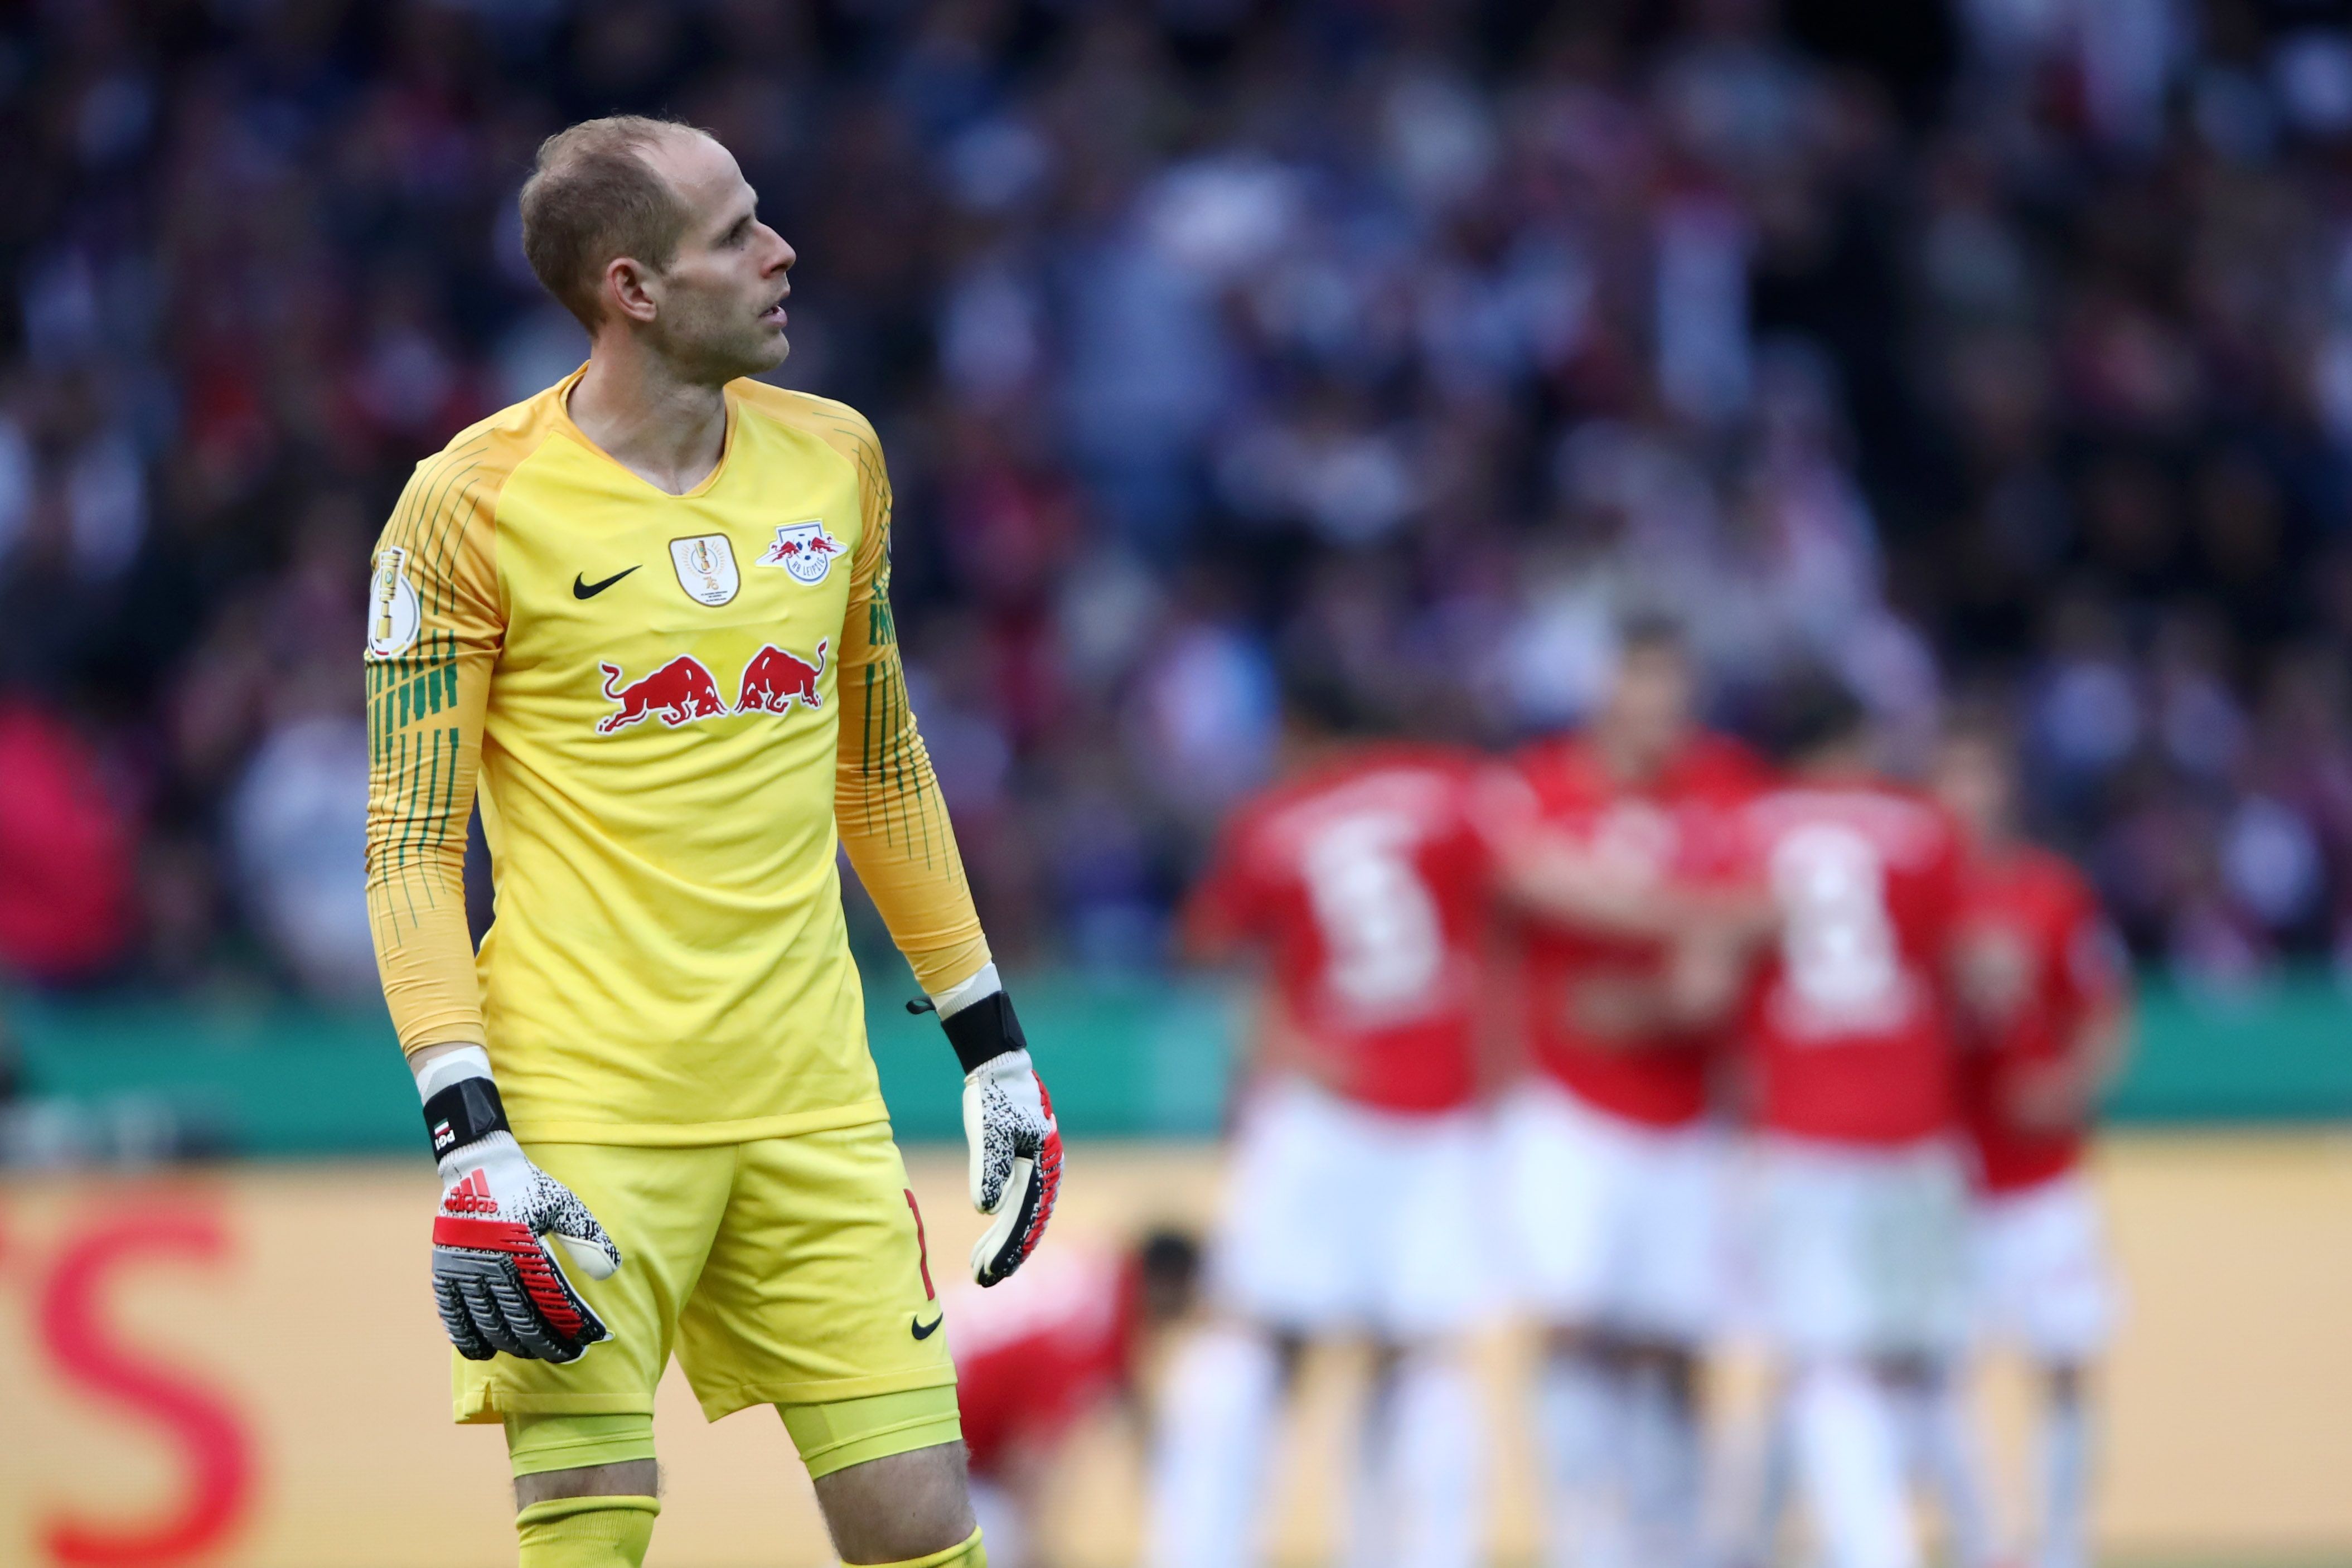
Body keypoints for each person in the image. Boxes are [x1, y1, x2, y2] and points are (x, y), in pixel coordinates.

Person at [363, 115, 1061, 1568]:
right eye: (735, 229)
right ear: (632, 287)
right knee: (591, 1532)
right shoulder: (466, 507)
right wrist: (466, 1134)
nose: (779, 249)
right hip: (582, 1110)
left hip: (813, 1098)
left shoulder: (837, 459)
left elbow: (879, 763)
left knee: (925, 1532)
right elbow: (412, 845)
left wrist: (990, 1040)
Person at [1151, 672, 1499, 1568]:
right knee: (1424, 1355)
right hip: (1440, 1100)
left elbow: (1200, 950)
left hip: (1321, 1101)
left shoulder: (1277, 820)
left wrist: (1278, 1042)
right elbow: (1517, 910)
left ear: (1299, 728)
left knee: (1252, 1339)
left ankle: (1197, 1551)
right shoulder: (1452, 795)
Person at [1484, 618, 1770, 1568]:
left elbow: (1765, 913)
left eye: (1671, 696)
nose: (1656, 717)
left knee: (1677, 1338)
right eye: (1638, 691)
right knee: (1571, 1322)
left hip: (1689, 1113)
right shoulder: (1539, 783)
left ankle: (1679, 1539)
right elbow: (1528, 878)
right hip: (1565, 1104)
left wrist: (1643, 991)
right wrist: (1686, 920)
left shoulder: (1726, 786)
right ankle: (1584, 1537)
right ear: (1604, 692)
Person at [1707, 675, 1972, 1568]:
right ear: (1859, 741)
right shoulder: (1924, 830)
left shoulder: (1745, 831)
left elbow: (1705, 982)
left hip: (1798, 1125)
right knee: (1914, 1363)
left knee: (1818, 1363)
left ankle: (1857, 1549)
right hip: (1913, 1128)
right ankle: (1973, 1543)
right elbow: (1972, 971)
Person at [1934, 711, 2131, 1568]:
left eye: (1977, 777)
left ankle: (2059, 1546)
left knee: (2066, 1361)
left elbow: (2103, 1011)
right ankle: (1982, 1543)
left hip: (2040, 1177)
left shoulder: (2052, 891)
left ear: (2003, 788)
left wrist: (2070, 1087)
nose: (1963, 798)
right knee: (1937, 1377)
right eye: (1948, 779)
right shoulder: (1909, 895)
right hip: (1941, 1183)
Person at [951, 1230, 1201, 1568]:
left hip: (944, 1431)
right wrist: (1038, 1552)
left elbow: (1133, 1399)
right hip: (936, 1453)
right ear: (1170, 1282)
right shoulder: (1097, 1330)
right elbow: (1029, 1459)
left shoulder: (1104, 1286)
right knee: (1001, 1545)